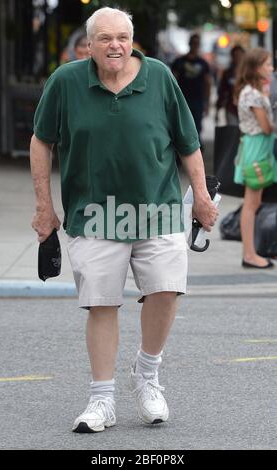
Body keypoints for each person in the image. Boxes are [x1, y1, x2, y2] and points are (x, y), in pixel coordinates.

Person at [30, 7, 218, 433]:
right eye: (105, 38)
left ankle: (147, 375)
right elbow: (42, 142)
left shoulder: (160, 77)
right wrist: (44, 207)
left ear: (132, 40)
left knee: (167, 292)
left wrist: (202, 198)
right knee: (101, 304)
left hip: (160, 208)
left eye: (122, 37)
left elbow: (188, 143)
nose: (115, 45)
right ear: (90, 44)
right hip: (93, 212)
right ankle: (102, 400)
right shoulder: (66, 82)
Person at [234, 48, 277, 269]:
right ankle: (249, 254)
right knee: (251, 203)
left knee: (254, 202)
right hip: (256, 148)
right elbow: (266, 128)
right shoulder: (252, 93)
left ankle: (251, 252)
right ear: (256, 67)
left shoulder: (255, 92)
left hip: (257, 148)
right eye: (268, 64)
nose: (271, 68)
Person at [171, 33, 212, 140]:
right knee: (181, 126)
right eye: (193, 43)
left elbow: (208, 83)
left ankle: (196, 149)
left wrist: (207, 102)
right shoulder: (179, 61)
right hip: (182, 99)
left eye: (197, 43)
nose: (195, 45)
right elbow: (172, 81)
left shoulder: (203, 63)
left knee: (196, 126)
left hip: (198, 100)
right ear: (189, 44)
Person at [216, 45, 245, 126]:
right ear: (232, 57)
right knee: (233, 132)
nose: (238, 58)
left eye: (240, 55)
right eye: (235, 55)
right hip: (231, 108)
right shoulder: (227, 73)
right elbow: (222, 91)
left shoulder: (249, 73)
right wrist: (218, 108)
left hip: (246, 109)